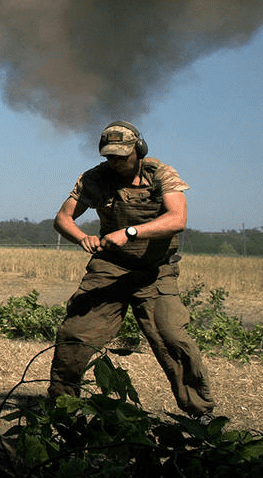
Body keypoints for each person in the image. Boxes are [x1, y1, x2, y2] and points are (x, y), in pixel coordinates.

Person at [47, 121, 216, 416]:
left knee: (173, 339)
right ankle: (62, 410)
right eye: (109, 156)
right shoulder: (95, 179)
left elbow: (178, 219)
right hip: (109, 269)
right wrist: (81, 237)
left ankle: (200, 413)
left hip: (154, 272)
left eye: (122, 156)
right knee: (74, 336)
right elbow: (62, 218)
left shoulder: (161, 174)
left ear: (138, 150)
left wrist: (129, 233)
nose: (115, 162)